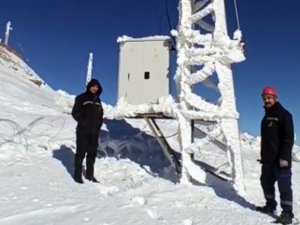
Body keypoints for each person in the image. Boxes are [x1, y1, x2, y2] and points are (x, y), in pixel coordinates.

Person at [256, 87, 294, 224]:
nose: (267, 100)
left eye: (269, 98)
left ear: (275, 98)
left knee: (284, 186)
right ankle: (270, 206)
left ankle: (288, 213)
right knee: (266, 183)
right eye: (265, 98)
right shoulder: (266, 116)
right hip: (268, 160)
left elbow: (288, 139)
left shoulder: (284, 115)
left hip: (281, 159)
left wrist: (284, 158)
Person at [71, 79, 104, 184]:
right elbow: (75, 112)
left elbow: (100, 114)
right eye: (93, 86)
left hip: (94, 132)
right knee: (80, 154)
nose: (95, 88)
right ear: (89, 86)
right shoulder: (81, 98)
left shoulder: (98, 100)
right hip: (83, 131)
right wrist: (83, 123)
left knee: (92, 154)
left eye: (97, 87)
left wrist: (99, 124)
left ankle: (90, 175)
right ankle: (77, 176)